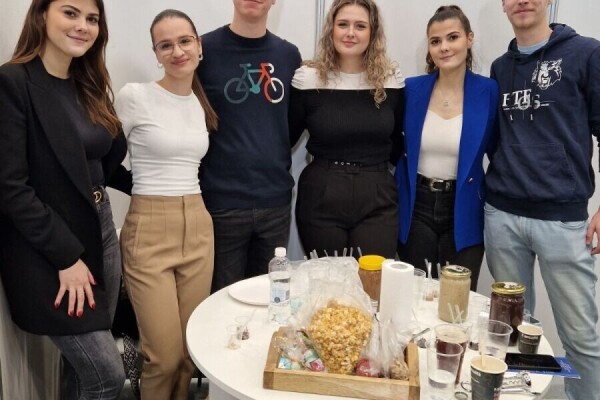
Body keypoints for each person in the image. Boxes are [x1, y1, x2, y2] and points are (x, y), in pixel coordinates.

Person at [0, 0, 127, 398]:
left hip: (101, 228)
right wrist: (66, 257)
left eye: (92, 19)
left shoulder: (88, 83)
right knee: (107, 374)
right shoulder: (13, 82)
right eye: (70, 13)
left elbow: (100, 161)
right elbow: (11, 187)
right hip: (50, 246)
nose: (83, 26)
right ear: (41, 15)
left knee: (83, 371)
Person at [484, 0, 600, 398]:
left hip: (564, 222)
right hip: (502, 216)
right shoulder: (500, 68)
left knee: (581, 338)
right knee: (513, 333)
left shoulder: (586, 53)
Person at [114, 9, 217, 400]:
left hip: (198, 225)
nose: (177, 51)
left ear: (199, 45)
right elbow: (104, 160)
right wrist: (142, 192)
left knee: (190, 354)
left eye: (185, 41)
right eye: (166, 45)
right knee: (164, 357)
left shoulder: (199, 103)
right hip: (150, 229)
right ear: (156, 53)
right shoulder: (135, 96)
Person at [197, 0, 301, 292]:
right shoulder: (203, 49)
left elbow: (290, 125)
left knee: (270, 300)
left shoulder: (289, 55)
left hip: (275, 202)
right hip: (221, 204)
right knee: (222, 299)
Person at [289, 0, 403, 259]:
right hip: (321, 194)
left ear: (372, 32)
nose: (350, 33)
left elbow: (398, 142)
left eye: (360, 26)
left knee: (373, 278)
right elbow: (286, 137)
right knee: (327, 279)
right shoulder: (308, 79)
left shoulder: (390, 80)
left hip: (377, 195)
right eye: (343, 24)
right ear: (331, 29)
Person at [394, 5, 498, 290]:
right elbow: (394, 145)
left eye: (453, 37)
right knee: (415, 295)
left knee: (458, 300)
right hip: (416, 206)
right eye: (436, 41)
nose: (444, 47)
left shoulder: (489, 91)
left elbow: (498, 150)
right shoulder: (411, 89)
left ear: (469, 38)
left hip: (465, 207)